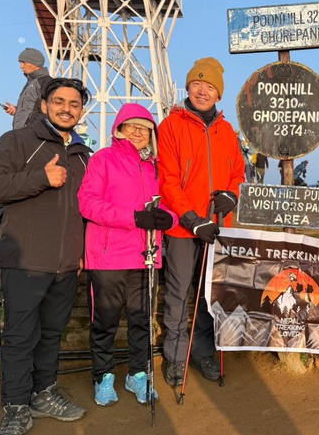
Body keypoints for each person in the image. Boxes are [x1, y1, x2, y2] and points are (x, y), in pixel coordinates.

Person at [0, 78, 92, 435]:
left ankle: (43, 394)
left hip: (64, 263)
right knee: (19, 338)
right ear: (43, 105)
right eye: (58, 101)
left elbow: (81, 210)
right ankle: (15, 408)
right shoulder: (18, 142)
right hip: (25, 259)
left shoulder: (81, 154)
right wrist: (39, 178)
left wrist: (80, 252)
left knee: (51, 334)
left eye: (73, 104)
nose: (66, 108)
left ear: (80, 111)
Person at [78, 103, 177, 406]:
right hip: (107, 257)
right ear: (118, 129)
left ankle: (138, 373)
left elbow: (170, 205)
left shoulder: (158, 167)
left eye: (144, 128)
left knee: (142, 321)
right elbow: (88, 203)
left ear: (151, 134)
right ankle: (103, 376)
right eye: (131, 126)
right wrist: (134, 218)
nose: (137, 132)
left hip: (146, 256)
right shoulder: (103, 159)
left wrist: (168, 218)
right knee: (104, 321)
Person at [158, 57, 245, 386]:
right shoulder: (171, 125)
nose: (202, 91)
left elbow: (238, 172)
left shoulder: (226, 131)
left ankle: (203, 353)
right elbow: (167, 180)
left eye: (209, 86)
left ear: (218, 94)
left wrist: (232, 196)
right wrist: (192, 219)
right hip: (183, 227)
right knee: (179, 295)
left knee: (211, 294)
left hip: (219, 227)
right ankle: (177, 358)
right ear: (188, 87)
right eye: (197, 84)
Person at [4, 48, 52, 129]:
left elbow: (47, 111)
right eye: (20, 62)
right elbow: (31, 108)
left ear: (36, 63)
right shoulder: (31, 82)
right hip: (21, 133)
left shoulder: (46, 82)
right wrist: (17, 110)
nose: (21, 66)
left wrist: (30, 127)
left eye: (23, 62)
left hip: (32, 133)